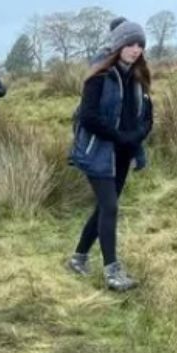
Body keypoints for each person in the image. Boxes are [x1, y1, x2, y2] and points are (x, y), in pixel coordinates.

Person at [67, 20, 153, 291]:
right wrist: (120, 137)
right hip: (98, 152)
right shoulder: (99, 76)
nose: (135, 49)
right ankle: (112, 272)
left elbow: (146, 116)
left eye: (140, 45)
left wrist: (138, 135)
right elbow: (89, 117)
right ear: (118, 45)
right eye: (130, 44)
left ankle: (78, 258)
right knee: (111, 207)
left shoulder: (139, 77)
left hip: (124, 153)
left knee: (105, 206)